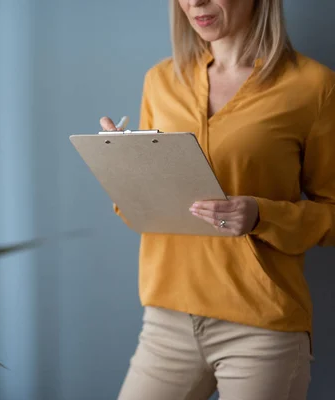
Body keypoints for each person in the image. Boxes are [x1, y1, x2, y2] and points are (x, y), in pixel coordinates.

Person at [101, 1, 335, 399]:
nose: (196, 3)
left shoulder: (313, 86)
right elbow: (142, 214)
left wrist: (263, 215)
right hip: (166, 319)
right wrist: (125, 167)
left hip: (261, 328)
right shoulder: (160, 80)